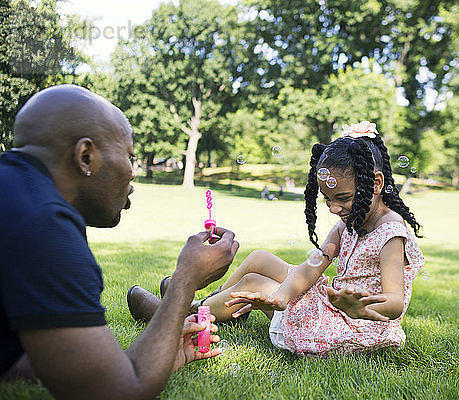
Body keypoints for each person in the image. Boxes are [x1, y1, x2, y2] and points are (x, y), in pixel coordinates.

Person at [0, 85, 239, 398]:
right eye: (129, 156)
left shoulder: (18, 196)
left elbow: (28, 357)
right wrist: (185, 281)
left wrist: (148, 356)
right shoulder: (43, 222)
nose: (132, 175)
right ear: (86, 156)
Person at [135, 121, 425, 356]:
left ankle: (182, 315)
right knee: (260, 258)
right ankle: (214, 303)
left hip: (357, 323)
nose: (334, 209)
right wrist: (282, 297)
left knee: (253, 283)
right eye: (327, 200)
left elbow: (395, 302)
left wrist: (360, 307)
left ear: (375, 183)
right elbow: (311, 268)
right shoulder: (344, 226)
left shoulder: (391, 234)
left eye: (343, 199)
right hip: (335, 304)